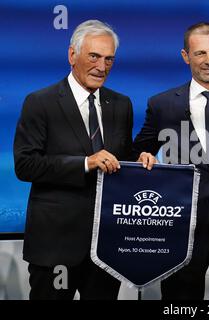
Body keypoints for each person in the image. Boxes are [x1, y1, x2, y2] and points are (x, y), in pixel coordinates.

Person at [13, 20, 155, 300]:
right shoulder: (40, 102)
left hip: (105, 247)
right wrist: (85, 163)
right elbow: (25, 165)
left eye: (109, 59)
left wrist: (138, 160)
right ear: (72, 55)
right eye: (94, 56)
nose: (102, 67)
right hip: (55, 248)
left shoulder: (121, 104)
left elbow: (119, 158)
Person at [132, 22, 209, 300]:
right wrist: (143, 156)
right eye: (200, 53)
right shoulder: (162, 104)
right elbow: (139, 151)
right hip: (183, 231)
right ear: (185, 56)